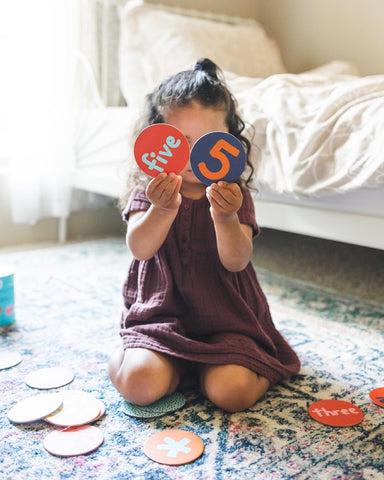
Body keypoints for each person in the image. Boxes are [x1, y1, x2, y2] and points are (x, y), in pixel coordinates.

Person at [108, 58, 300, 413]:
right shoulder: (150, 192)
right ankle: (165, 360)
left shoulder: (230, 194)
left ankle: (212, 365)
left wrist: (225, 218)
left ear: (228, 142)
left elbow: (237, 259)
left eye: (207, 141)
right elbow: (140, 248)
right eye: (181, 141)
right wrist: (162, 210)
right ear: (156, 140)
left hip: (227, 318)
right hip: (161, 315)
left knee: (232, 394)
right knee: (138, 384)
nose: (194, 155)